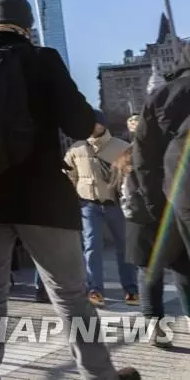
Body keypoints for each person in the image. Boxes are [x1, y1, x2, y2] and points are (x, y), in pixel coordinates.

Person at [0, 0, 139, 380]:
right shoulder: (41, 59)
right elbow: (78, 122)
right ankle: (98, 374)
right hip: (39, 196)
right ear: (26, 26)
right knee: (70, 294)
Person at [132, 42, 190, 328]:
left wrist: (155, 202)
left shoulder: (159, 97)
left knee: (181, 264)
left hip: (176, 196)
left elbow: (143, 157)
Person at [114, 144, 190, 347]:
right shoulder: (170, 152)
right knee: (183, 272)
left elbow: (117, 193)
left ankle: (156, 331)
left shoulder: (127, 156)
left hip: (140, 224)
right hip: (172, 220)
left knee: (149, 276)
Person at [63, 109, 139, 306]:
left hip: (116, 205)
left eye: (94, 122)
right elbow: (69, 178)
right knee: (92, 247)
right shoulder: (76, 149)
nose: (91, 126)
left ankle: (131, 289)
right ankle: (95, 290)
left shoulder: (123, 147)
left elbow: (133, 177)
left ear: (103, 124)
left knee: (125, 247)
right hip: (88, 206)